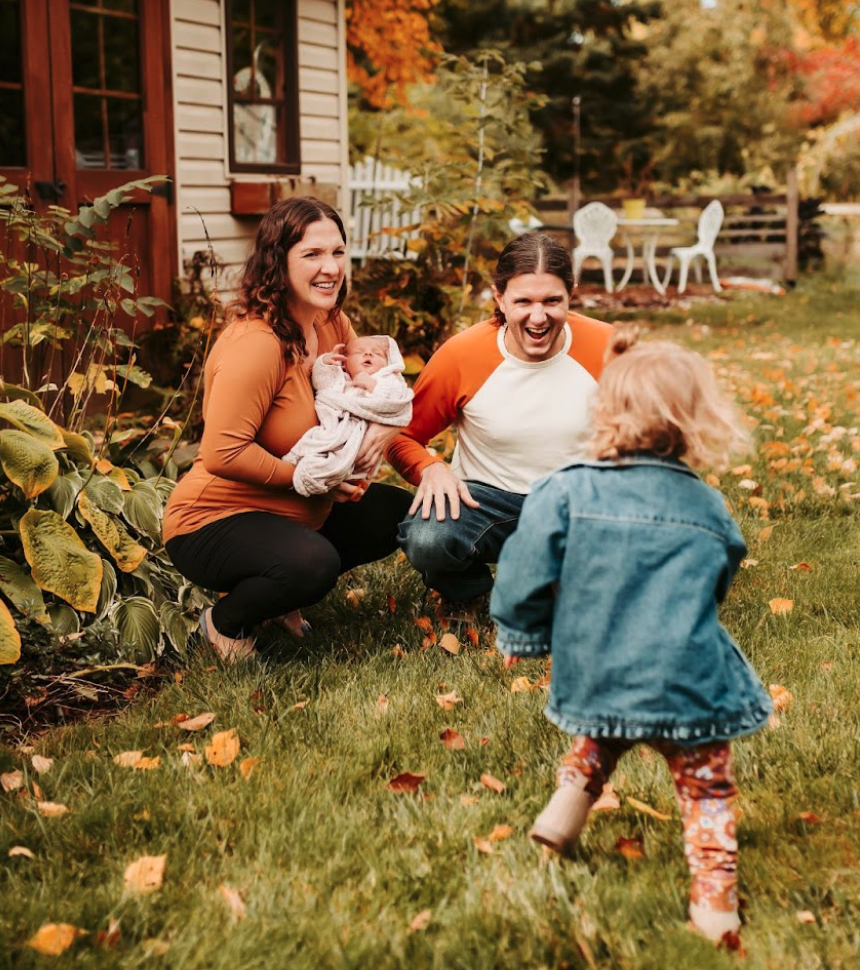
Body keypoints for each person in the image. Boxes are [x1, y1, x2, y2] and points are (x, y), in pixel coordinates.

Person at [489, 328, 772, 944]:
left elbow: (523, 573)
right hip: (687, 679)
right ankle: (715, 905)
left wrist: (523, 634)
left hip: (598, 673)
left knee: (604, 731)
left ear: (606, 408)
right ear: (695, 419)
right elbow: (721, 571)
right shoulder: (707, 507)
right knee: (705, 789)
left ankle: (564, 813)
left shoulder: (563, 490)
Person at [163, 198, 410, 662]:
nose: (330, 267)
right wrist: (312, 478)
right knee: (314, 564)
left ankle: (281, 599)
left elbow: (378, 389)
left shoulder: (331, 321)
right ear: (277, 263)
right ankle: (225, 623)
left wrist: (380, 435)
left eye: (338, 252)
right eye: (312, 255)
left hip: (298, 507)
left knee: (396, 513)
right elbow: (222, 453)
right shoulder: (256, 344)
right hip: (212, 520)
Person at [388, 232, 614, 622]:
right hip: (487, 502)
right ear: (499, 299)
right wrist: (431, 467)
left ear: (571, 295)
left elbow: (651, 432)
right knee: (428, 538)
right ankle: (467, 593)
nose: (538, 316)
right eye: (523, 301)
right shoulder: (463, 354)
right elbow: (401, 435)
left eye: (551, 301)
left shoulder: (608, 346)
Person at [284, 335, 413, 497]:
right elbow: (324, 385)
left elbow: (396, 402)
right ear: (345, 363)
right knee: (316, 448)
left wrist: (373, 386)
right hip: (334, 428)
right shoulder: (341, 379)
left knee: (338, 463)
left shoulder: (387, 380)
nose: (368, 354)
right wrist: (325, 364)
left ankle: (316, 477)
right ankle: (298, 473)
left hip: (358, 438)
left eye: (377, 353)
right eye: (360, 352)